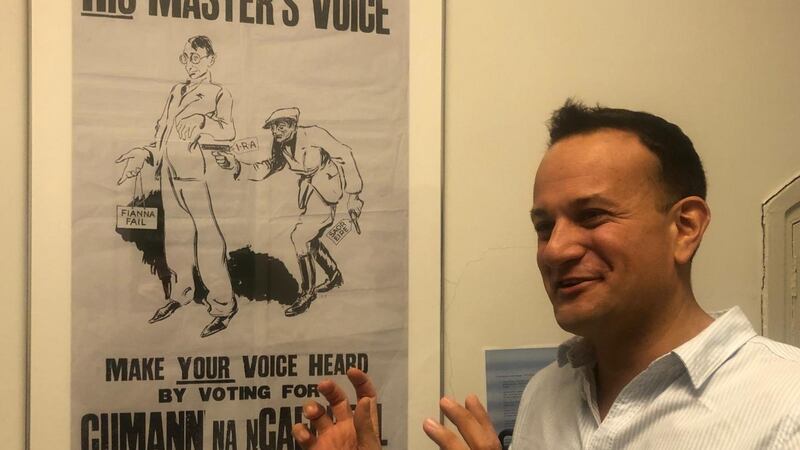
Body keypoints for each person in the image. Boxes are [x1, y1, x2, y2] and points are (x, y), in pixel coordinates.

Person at [289, 100, 800, 449]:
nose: (554, 250)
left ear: (684, 227)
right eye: (543, 225)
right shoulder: (546, 395)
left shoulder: (785, 407)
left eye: (593, 216)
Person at [116, 35, 238, 338]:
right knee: (177, 237)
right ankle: (181, 294)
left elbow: (229, 130)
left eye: (195, 57)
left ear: (211, 59)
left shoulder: (219, 93)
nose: (189, 63)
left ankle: (223, 305)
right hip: (167, 173)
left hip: (196, 174)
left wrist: (201, 123)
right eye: (185, 57)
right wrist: (144, 153)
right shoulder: (175, 91)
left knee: (208, 239)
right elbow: (162, 132)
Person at [213, 107, 364, 317]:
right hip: (309, 192)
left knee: (300, 237)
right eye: (273, 127)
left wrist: (354, 194)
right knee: (310, 239)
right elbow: (270, 166)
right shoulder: (281, 144)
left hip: (328, 187)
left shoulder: (314, 134)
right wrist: (236, 165)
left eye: (280, 126)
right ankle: (334, 275)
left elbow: (344, 154)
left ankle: (307, 293)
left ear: (293, 125)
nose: (276, 131)